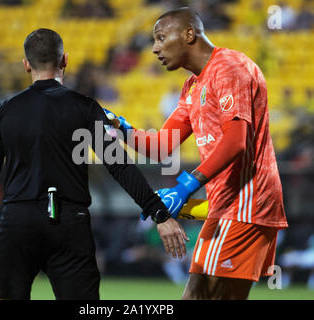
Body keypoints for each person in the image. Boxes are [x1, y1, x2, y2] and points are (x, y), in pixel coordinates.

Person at [0, 28, 188, 300]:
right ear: (65, 60)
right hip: (69, 223)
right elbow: (119, 166)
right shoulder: (86, 107)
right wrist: (159, 214)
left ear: (26, 64)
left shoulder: (4, 111)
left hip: (18, 222)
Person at [105, 7, 288, 300]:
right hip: (231, 206)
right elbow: (161, 145)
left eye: (161, 38)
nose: (155, 48)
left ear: (189, 34)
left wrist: (186, 187)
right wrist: (121, 128)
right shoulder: (193, 86)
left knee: (197, 297)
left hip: (244, 205)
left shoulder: (229, 67)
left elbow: (237, 141)